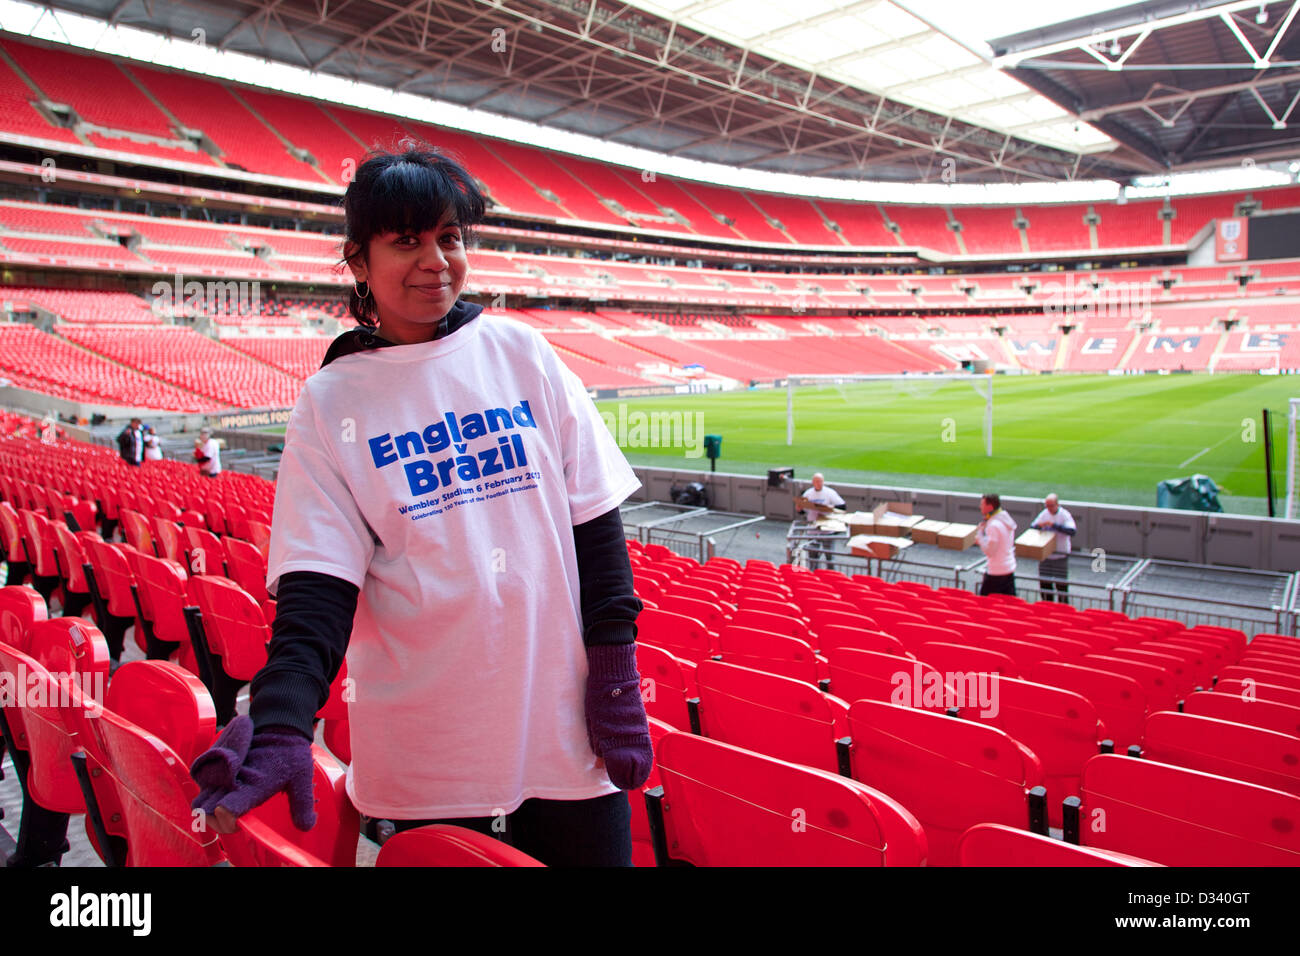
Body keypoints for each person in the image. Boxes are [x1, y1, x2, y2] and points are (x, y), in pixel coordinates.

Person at [186, 143, 650, 867]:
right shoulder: (331, 401)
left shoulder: (522, 352)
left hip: (565, 744)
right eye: (407, 240)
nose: (436, 259)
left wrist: (616, 673)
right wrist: (281, 722)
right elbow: (317, 593)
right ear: (359, 261)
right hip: (429, 760)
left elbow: (595, 523)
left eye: (450, 238)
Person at [1032, 493, 1076, 602]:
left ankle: (1063, 607)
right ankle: (1047, 605)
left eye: (1051, 505)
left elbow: (1071, 531)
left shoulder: (1064, 515)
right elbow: (1033, 526)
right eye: (1047, 506)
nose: (1049, 508)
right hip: (1046, 555)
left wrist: (1053, 525)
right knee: (1045, 584)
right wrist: (1040, 526)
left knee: (1061, 585)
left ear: (1057, 504)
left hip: (1060, 555)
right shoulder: (1044, 514)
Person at [975, 492, 1017, 596]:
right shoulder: (1006, 520)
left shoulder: (993, 525)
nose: (980, 507)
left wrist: (980, 537)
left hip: (996, 572)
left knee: (985, 604)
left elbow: (990, 551)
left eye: (982, 504)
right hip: (1008, 569)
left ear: (989, 506)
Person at [801, 473, 844, 569]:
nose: (818, 483)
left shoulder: (830, 493)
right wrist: (799, 508)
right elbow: (802, 511)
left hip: (826, 530)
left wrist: (829, 508)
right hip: (813, 530)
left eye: (820, 481)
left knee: (829, 556)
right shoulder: (808, 493)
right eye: (816, 481)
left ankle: (831, 575)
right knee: (812, 556)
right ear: (813, 482)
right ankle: (815, 575)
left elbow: (842, 506)